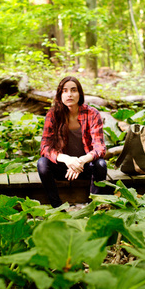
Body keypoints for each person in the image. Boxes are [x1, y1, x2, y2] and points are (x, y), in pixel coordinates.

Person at [37, 76, 107, 207]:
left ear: (80, 94)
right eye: (65, 91)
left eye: (73, 90)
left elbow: (100, 148)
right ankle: (57, 207)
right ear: (60, 95)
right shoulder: (53, 115)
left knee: (101, 164)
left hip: (84, 166)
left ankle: (94, 207)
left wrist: (80, 161)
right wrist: (67, 159)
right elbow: (45, 147)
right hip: (63, 167)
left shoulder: (92, 114)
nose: (69, 94)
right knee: (42, 163)